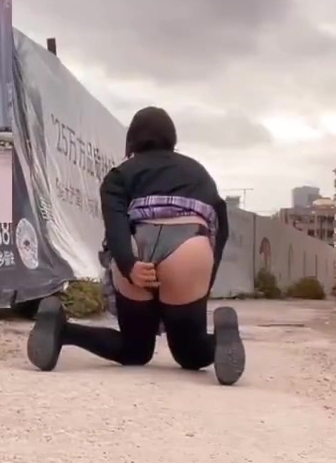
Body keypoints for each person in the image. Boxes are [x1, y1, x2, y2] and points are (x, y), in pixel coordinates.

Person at [26, 106, 245, 386]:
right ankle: (225, 334)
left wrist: (129, 266)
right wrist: (203, 280)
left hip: (137, 249)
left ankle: (61, 329)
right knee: (190, 353)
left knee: (135, 349)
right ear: (172, 139)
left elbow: (115, 227)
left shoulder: (119, 174)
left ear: (132, 141)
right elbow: (220, 228)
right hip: (188, 248)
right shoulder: (197, 172)